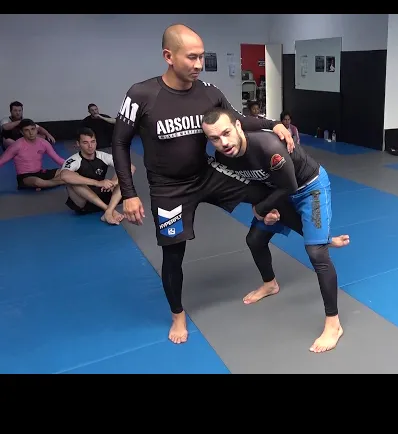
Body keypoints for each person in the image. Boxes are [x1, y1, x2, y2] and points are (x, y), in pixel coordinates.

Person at [112, 23, 304, 345]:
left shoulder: (208, 92)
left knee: (267, 192)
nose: (199, 64)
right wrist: (129, 194)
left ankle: (315, 239)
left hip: (206, 173)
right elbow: (119, 142)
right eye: (192, 57)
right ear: (168, 56)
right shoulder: (141, 95)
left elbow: (238, 120)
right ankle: (177, 315)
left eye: (202, 57)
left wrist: (274, 125)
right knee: (173, 254)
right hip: (168, 189)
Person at [202, 107, 349, 354]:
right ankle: (270, 284)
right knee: (255, 239)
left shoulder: (268, 146)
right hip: (276, 191)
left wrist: (262, 208)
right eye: (214, 138)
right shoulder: (225, 157)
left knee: (316, 253)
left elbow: (290, 186)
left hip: (308, 187)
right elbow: (249, 186)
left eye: (226, 133)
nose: (223, 143)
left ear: (238, 127)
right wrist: (264, 209)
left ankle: (333, 324)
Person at [60, 127, 134, 224]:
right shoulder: (74, 160)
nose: (90, 146)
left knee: (123, 177)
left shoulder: (103, 156)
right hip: (84, 201)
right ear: (78, 144)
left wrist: (114, 182)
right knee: (72, 181)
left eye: (93, 141)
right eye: (85, 143)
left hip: (104, 195)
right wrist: (98, 183)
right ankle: (108, 209)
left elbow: (131, 167)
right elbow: (64, 176)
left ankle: (108, 211)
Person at [0, 119, 65, 190]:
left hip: (40, 173)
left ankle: (46, 184)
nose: (31, 133)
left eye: (33, 129)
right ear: (22, 132)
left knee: (65, 172)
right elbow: (1, 161)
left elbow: (57, 159)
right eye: (26, 130)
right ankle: (60, 182)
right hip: (25, 177)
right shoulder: (16, 146)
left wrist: (72, 166)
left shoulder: (43, 143)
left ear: (36, 130)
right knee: (38, 182)